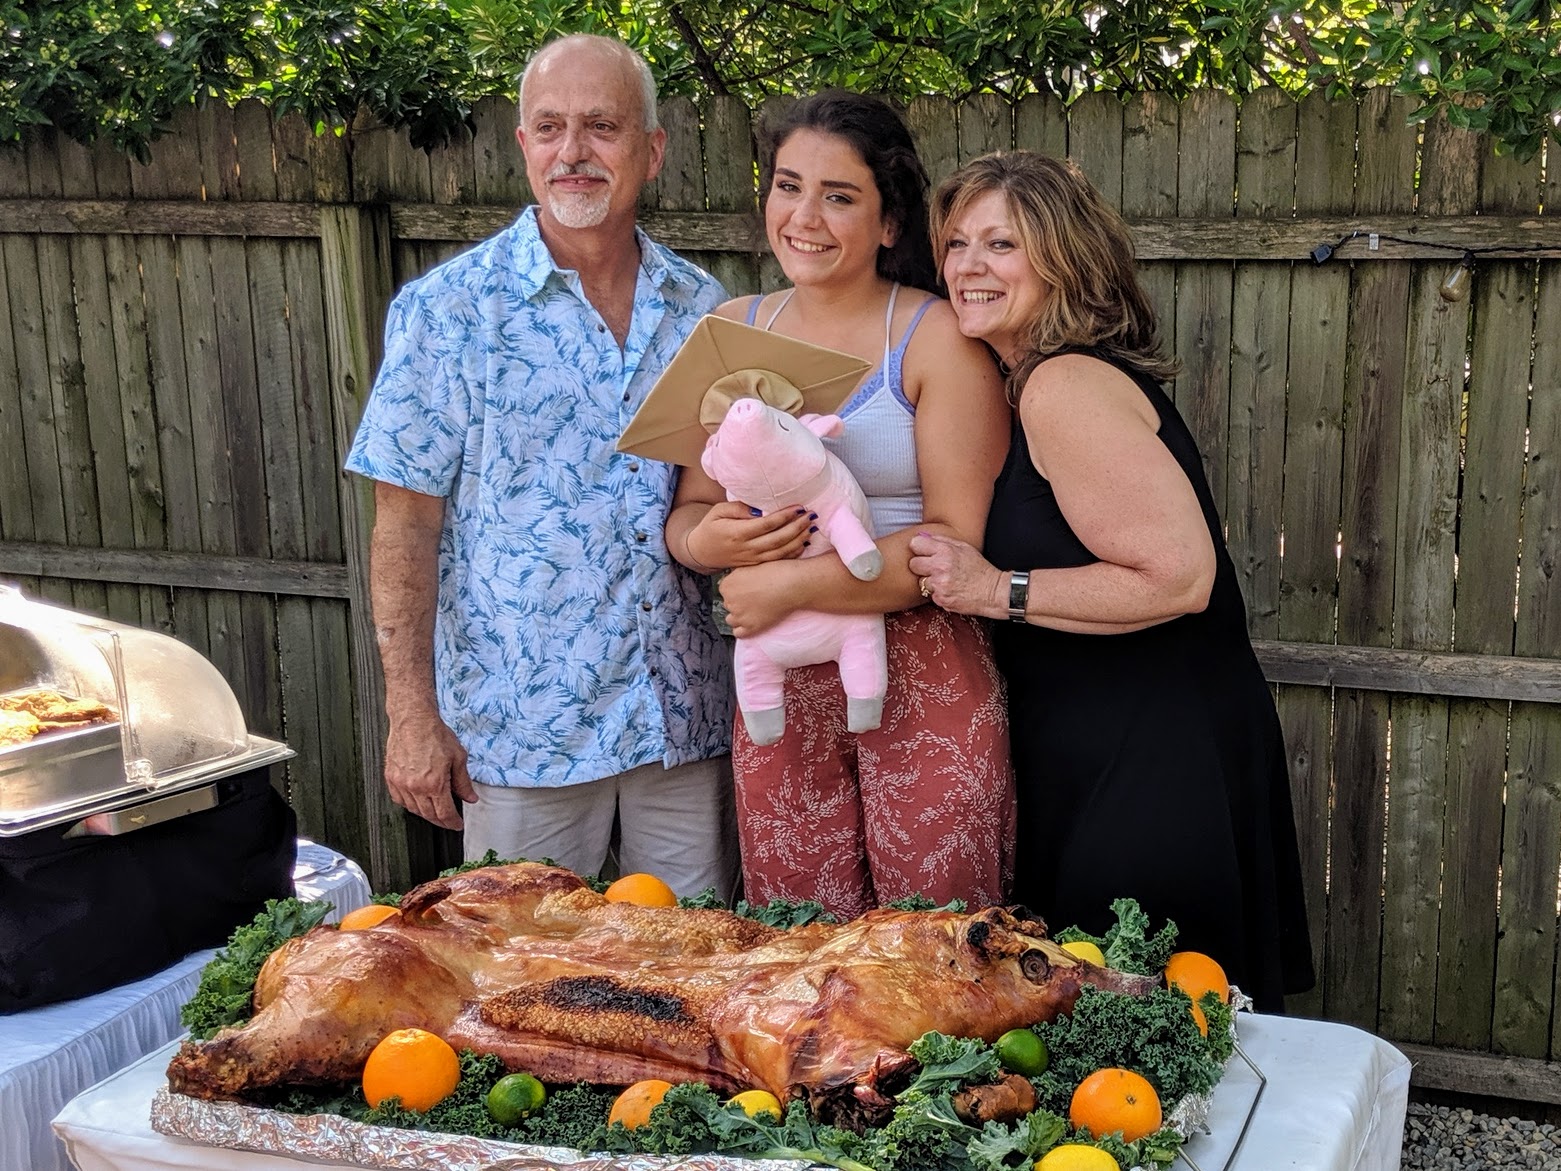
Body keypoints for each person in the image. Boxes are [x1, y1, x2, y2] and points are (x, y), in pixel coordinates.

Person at [911, 150, 1314, 1009]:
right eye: (956, 243)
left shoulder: (1065, 385)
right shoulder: (1035, 381)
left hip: (1151, 758)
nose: (968, 266)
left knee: (1156, 1022)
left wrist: (993, 590)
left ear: (1063, 260)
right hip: (1112, 742)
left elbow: (1177, 577)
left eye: (1001, 245)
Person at [344, 34, 737, 899]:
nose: (574, 152)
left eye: (601, 126)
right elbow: (403, 525)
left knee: (692, 975)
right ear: (523, 145)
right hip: (522, 739)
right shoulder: (447, 314)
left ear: (651, 149)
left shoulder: (701, 309)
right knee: (523, 982)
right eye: (550, 127)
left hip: (681, 724)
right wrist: (411, 716)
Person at [667, 92, 1016, 919]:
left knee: (938, 936)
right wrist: (708, 542)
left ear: (889, 220)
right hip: (779, 681)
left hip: (921, 664)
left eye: (838, 195)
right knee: (798, 938)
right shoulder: (731, 329)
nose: (804, 216)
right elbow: (685, 516)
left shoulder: (935, 338)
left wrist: (783, 586)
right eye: (787, 187)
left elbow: (953, 541)